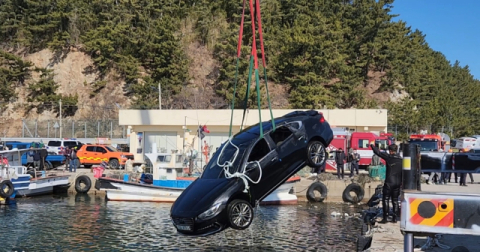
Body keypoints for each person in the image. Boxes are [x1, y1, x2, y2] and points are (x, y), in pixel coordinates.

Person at [371, 143, 402, 223]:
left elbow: (378, 152)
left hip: (389, 182)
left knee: (386, 199)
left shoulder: (389, 157)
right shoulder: (401, 160)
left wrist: (372, 145)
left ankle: (385, 218)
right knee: (395, 200)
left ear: (391, 151)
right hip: (398, 183)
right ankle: (395, 218)